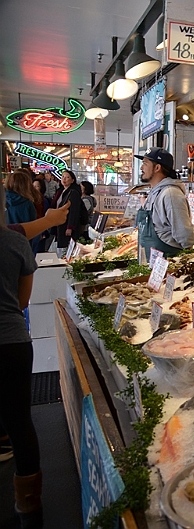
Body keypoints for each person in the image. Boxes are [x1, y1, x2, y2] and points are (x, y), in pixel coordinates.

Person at [0, 183, 43, 528]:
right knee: (20, 421)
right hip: (13, 343)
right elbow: (22, 302)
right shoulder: (14, 243)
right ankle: (27, 503)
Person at [135, 147, 194, 261]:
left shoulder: (171, 194)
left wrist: (186, 261)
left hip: (169, 262)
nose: (141, 167)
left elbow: (184, 234)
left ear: (157, 167)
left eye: (145, 163)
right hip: (152, 262)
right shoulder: (155, 192)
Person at [5, 172, 38, 253]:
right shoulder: (27, 204)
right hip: (22, 243)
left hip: (4, 241)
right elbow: (33, 226)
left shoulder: (3, 200)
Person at [54, 170, 82, 257]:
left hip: (66, 224)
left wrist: (70, 227)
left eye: (67, 177)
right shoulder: (60, 191)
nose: (64, 179)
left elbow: (74, 211)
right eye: (62, 177)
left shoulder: (73, 193)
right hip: (59, 223)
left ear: (72, 180)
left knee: (67, 248)